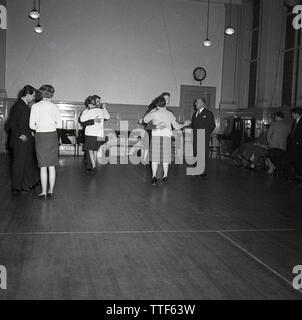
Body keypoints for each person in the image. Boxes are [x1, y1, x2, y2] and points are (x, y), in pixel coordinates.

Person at [144, 95, 190, 186]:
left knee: (155, 159)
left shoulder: (153, 113)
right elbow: (177, 126)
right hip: (166, 138)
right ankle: (165, 176)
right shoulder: (170, 114)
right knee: (165, 159)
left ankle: (153, 177)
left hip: (156, 138)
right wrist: (184, 124)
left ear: (157, 105)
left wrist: (152, 112)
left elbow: (145, 120)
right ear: (165, 104)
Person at [29, 85, 62, 200]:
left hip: (41, 136)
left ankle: (43, 192)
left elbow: (31, 125)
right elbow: (60, 125)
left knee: (43, 166)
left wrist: (39, 126)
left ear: (41, 93)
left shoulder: (35, 106)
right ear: (51, 94)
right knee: (51, 165)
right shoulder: (55, 107)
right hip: (52, 136)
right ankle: (51, 191)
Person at [8, 85, 39, 194]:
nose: (34, 97)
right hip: (20, 141)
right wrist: (20, 135)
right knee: (19, 163)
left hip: (26, 141)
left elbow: (24, 123)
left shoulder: (24, 105)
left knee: (27, 162)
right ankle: (16, 187)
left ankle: (29, 182)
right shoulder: (19, 105)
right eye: (33, 95)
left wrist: (30, 132)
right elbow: (12, 123)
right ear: (28, 94)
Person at [80, 96, 110, 171]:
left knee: (90, 150)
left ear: (89, 105)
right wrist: (104, 108)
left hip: (90, 134)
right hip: (99, 134)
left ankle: (93, 165)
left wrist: (86, 110)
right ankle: (94, 164)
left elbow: (82, 119)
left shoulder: (89, 111)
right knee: (95, 150)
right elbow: (108, 117)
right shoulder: (101, 111)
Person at [191, 98, 216, 177]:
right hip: (195, 136)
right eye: (195, 102)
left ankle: (203, 171)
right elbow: (193, 126)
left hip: (203, 136)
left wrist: (205, 134)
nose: (195, 104)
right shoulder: (195, 114)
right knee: (195, 153)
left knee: (203, 154)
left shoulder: (208, 113)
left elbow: (212, 126)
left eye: (197, 102)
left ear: (203, 103)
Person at [281, 107, 302, 183]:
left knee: (296, 163)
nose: (291, 115)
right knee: (287, 160)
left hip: (298, 147)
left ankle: (296, 178)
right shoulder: (294, 122)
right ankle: (288, 176)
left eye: (292, 113)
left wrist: (298, 142)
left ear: (297, 114)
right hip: (291, 146)